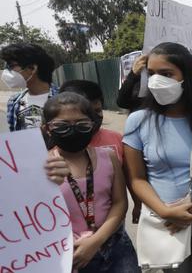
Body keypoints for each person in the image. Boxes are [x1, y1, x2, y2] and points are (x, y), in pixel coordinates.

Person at [123, 42, 192, 272]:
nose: (156, 80)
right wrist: (164, 211)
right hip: (165, 221)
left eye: (166, 73)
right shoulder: (138, 121)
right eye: (150, 73)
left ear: (186, 77)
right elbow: (137, 179)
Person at [42, 92, 139, 272]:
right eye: (62, 126)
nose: (73, 130)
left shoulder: (108, 157)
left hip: (115, 246)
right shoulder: (42, 168)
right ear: (47, 128)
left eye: (82, 124)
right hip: (70, 255)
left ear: (93, 125)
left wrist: (96, 241)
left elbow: (119, 203)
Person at [59, 80, 142, 224]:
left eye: (97, 111)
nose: (93, 118)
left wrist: (138, 204)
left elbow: (129, 176)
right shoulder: (55, 147)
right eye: (86, 113)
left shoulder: (116, 139)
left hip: (113, 223)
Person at [1, 43, 58, 131]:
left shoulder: (65, 98)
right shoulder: (14, 102)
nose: (7, 71)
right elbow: (14, 137)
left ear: (32, 68)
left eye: (11, 66)